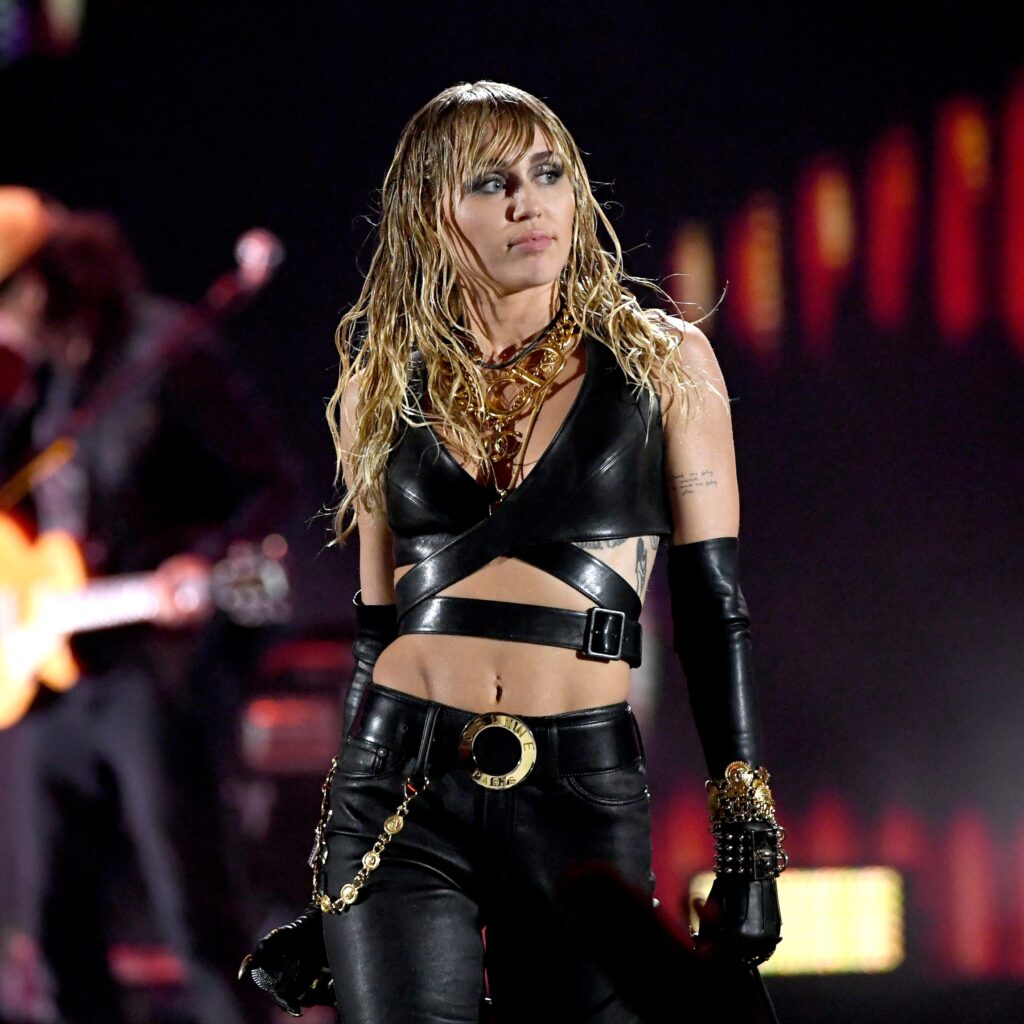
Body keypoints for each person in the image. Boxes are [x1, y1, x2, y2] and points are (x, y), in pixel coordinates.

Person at [244, 81, 786, 1023]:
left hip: (580, 786)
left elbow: (712, 611)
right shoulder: (384, 380)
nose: (530, 204)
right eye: (492, 183)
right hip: (399, 787)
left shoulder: (662, 362)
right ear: (433, 213)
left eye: (547, 174)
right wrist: (335, 874)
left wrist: (747, 842)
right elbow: (378, 630)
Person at [0, 187, 293, 1024]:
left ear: (41, 283)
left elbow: (272, 484)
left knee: (196, 915)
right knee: (52, 928)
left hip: (153, 674)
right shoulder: (48, 389)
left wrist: (203, 560)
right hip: (53, 682)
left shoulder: (165, 348)